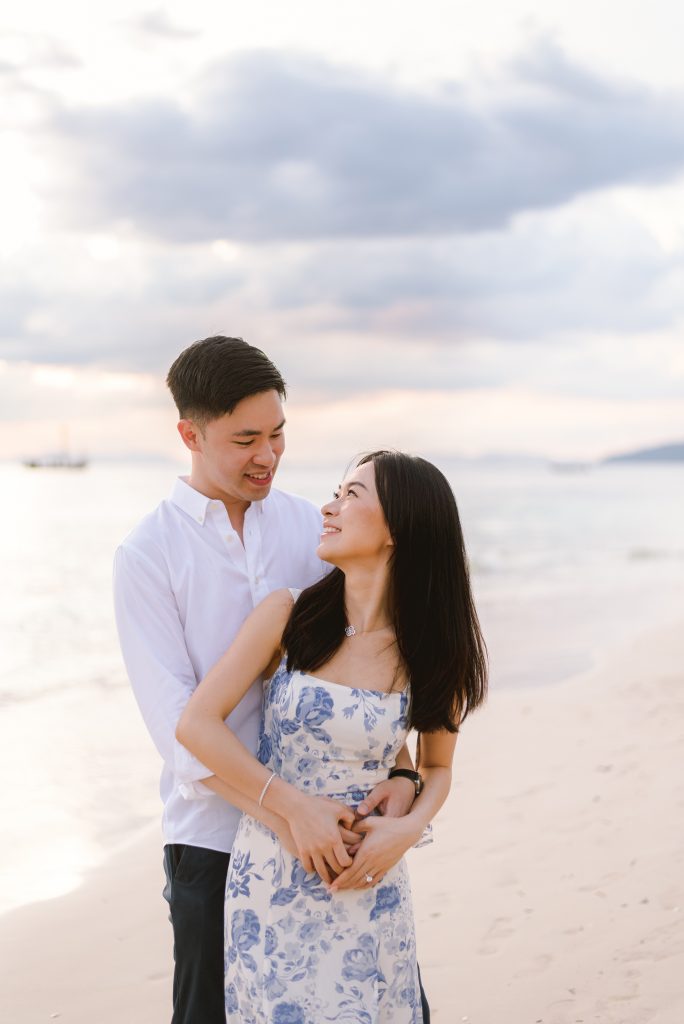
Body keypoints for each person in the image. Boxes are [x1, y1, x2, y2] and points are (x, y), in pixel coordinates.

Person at [113, 336, 420, 1024]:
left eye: (278, 434)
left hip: (332, 842)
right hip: (212, 840)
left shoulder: (309, 528)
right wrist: (289, 811)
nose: (268, 456)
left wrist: (404, 774)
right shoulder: (147, 555)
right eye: (245, 439)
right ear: (189, 434)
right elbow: (180, 734)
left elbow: (358, 670)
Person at [177, 449, 488, 1023]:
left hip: (371, 880)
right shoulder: (288, 616)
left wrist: (409, 829)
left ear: (399, 527)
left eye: (351, 495)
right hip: (272, 874)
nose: (329, 506)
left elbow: (437, 767)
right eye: (336, 491)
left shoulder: (429, 648)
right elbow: (196, 725)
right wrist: (291, 809)